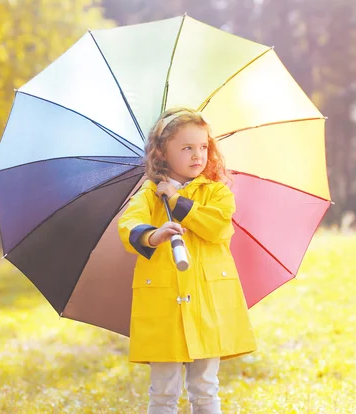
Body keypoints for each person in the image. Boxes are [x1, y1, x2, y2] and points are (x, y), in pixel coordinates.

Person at [117, 108, 257, 414]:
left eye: (204, 147)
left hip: (208, 305)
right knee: (164, 390)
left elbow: (218, 227)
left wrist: (179, 203)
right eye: (187, 148)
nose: (198, 155)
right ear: (163, 153)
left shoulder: (217, 192)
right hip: (164, 304)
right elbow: (128, 227)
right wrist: (154, 235)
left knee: (205, 387)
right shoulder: (148, 195)